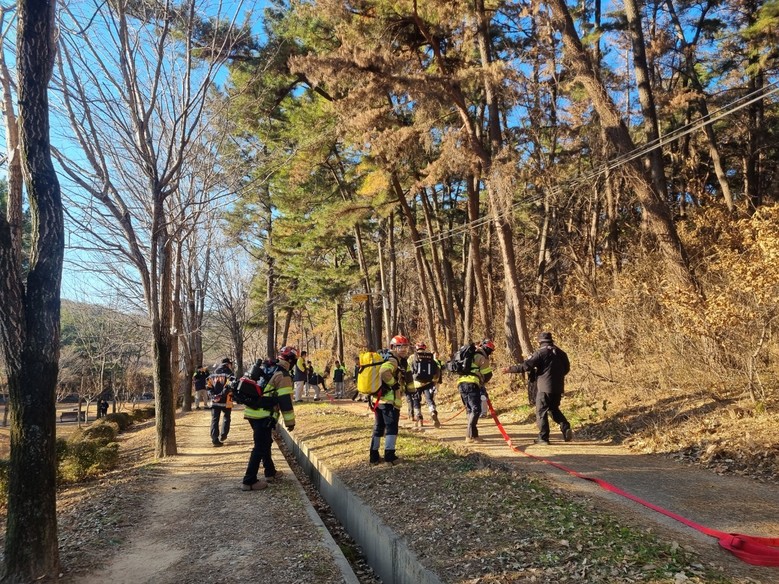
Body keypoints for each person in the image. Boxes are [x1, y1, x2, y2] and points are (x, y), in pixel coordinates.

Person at [241, 346, 297, 491]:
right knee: (260, 446)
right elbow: (285, 401)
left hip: (252, 412)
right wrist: (290, 422)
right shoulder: (283, 375)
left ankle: (270, 472)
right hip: (263, 414)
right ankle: (249, 481)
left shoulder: (267, 367)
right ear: (291, 360)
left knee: (266, 442)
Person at [502, 331, 573, 445]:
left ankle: (543, 437)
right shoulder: (561, 353)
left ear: (540, 342)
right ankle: (565, 427)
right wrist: (556, 377)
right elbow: (567, 368)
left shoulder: (540, 353)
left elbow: (526, 366)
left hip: (544, 387)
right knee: (553, 409)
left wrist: (510, 369)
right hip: (558, 387)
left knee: (541, 411)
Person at [369, 335, 410, 466]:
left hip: (378, 400)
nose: (403, 350)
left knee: (378, 428)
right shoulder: (393, 360)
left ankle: (374, 457)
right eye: (400, 347)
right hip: (389, 402)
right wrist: (394, 384)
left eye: (405, 347)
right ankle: (390, 457)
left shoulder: (385, 357)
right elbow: (383, 372)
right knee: (391, 428)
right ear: (393, 347)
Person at [457, 339, 495, 443]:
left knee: (470, 410)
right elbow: (487, 374)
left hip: (461, 384)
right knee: (476, 410)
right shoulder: (481, 357)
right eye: (490, 351)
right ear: (487, 350)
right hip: (472, 385)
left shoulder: (469, 355)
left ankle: (474, 436)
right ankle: (469, 435)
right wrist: (482, 383)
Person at [409, 343, 441, 429]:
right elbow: (437, 369)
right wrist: (435, 381)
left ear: (416, 348)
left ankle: (419, 419)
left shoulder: (412, 357)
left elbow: (408, 369)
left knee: (416, 401)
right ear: (424, 348)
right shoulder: (430, 356)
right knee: (429, 399)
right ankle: (433, 411)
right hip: (428, 382)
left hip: (416, 384)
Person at [207, 357, 234, 447]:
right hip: (227, 400)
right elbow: (229, 387)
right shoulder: (230, 374)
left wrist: (213, 396)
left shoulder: (212, 374)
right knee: (226, 418)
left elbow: (208, 387)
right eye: (230, 364)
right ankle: (223, 435)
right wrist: (221, 395)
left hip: (214, 401)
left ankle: (215, 439)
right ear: (227, 364)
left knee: (215, 419)